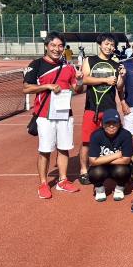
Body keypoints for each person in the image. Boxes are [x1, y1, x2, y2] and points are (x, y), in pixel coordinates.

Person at [23, 32, 83, 199]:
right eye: (53, 45)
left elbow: (77, 90)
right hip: (44, 115)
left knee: (64, 148)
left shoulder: (69, 67)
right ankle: (43, 184)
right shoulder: (36, 64)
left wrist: (79, 80)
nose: (57, 49)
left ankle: (62, 181)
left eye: (60, 46)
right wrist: (48, 86)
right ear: (47, 46)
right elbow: (26, 88)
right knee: (45, 150)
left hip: (65, 114)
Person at [79, 33, 126, 185]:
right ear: (100, 44)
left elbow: (118, 87)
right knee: (87, 141)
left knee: (112, 141)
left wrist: (122, 77)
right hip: (91, 108)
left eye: (112, 45)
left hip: (109, 109)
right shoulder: (89, 60)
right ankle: (84, 170)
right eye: (107, 44)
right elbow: (85, 79)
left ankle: (109, 168)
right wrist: (104, 79)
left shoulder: (115, 64)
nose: (109, 47)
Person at [88, 109, 133, 202]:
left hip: (116, 166)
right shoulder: (96, 135)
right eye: (108, 123)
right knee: (95, 173)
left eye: (114, 123)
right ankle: (99, 190)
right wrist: (117, 155)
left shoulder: (126, 135)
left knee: (123, 170)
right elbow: (92, 161)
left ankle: (119, 188)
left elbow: (126, 160)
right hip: (101, 167)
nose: (111, 126)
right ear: (102, 124)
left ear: (120, 123)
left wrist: (101, 160)